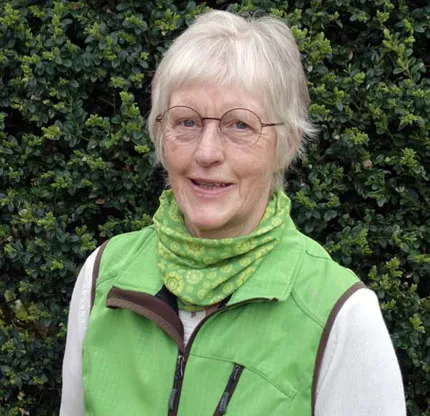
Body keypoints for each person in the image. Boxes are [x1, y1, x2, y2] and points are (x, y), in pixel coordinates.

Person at [60, 10, 406, 416]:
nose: (207, 152)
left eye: (239, 125)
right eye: (186, 121)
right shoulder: (103, 276)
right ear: (160, 134)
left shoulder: (340, 315)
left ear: (287, 145)